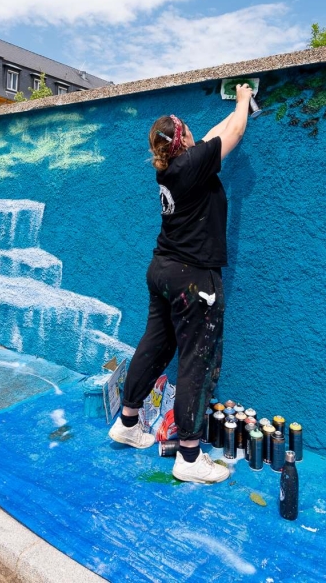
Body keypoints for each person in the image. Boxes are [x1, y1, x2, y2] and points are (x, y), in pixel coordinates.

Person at [108, 83, 253, 483]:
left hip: (163, 271)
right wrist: (242, 102)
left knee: (155, 344)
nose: (195, 134)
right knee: (195, 361)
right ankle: (189, 458)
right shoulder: (191, 166)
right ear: (182, 139)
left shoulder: (176, 166)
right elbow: (232, 135)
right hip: (193, 279)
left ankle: (128, 422)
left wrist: (243, 108)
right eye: (188, 130)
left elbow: (214, 137)